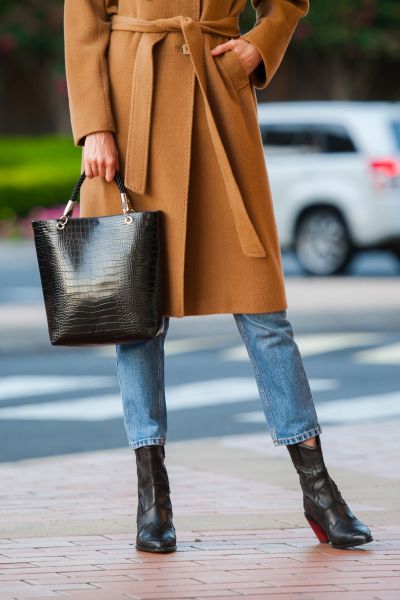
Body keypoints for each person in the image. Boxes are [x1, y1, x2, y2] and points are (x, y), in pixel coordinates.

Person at [63, 0, 373, 553]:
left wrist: (263, 40)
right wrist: (95, 126)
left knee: (264, 311)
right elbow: (84, 18)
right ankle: (152, 500)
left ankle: (320, 491)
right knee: (137, 315)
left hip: (219, 112)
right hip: (136, 114)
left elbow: (287, 3)